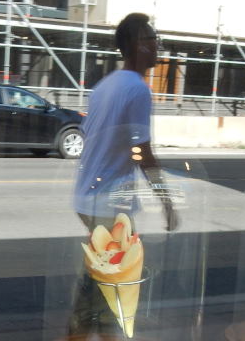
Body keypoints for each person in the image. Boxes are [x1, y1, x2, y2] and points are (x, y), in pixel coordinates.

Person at [74, 12, 176, 233]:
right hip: (107, 202)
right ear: (139, 45)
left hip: (87, 197)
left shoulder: (104, 86)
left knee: (113, 254)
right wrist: (167, 203)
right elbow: (142, 152)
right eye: (153, 39)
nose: (158, 45)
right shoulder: (137, 89)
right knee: (126, 255)